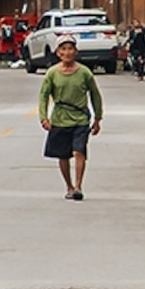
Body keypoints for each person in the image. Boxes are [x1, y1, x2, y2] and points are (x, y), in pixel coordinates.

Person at [38, 40, 104, 199]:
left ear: (76, 52)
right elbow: (43, 96)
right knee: (63, 155)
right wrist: (43, 117)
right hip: (60, 119)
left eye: (70, 49)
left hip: (80, 119)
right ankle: (68, 186)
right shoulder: (52, 73)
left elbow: (95, 95)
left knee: (79, 151)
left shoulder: (84, 73)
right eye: (63, 49)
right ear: (58, 53)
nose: (67, 52)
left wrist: (98, 118)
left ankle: (78, 186)